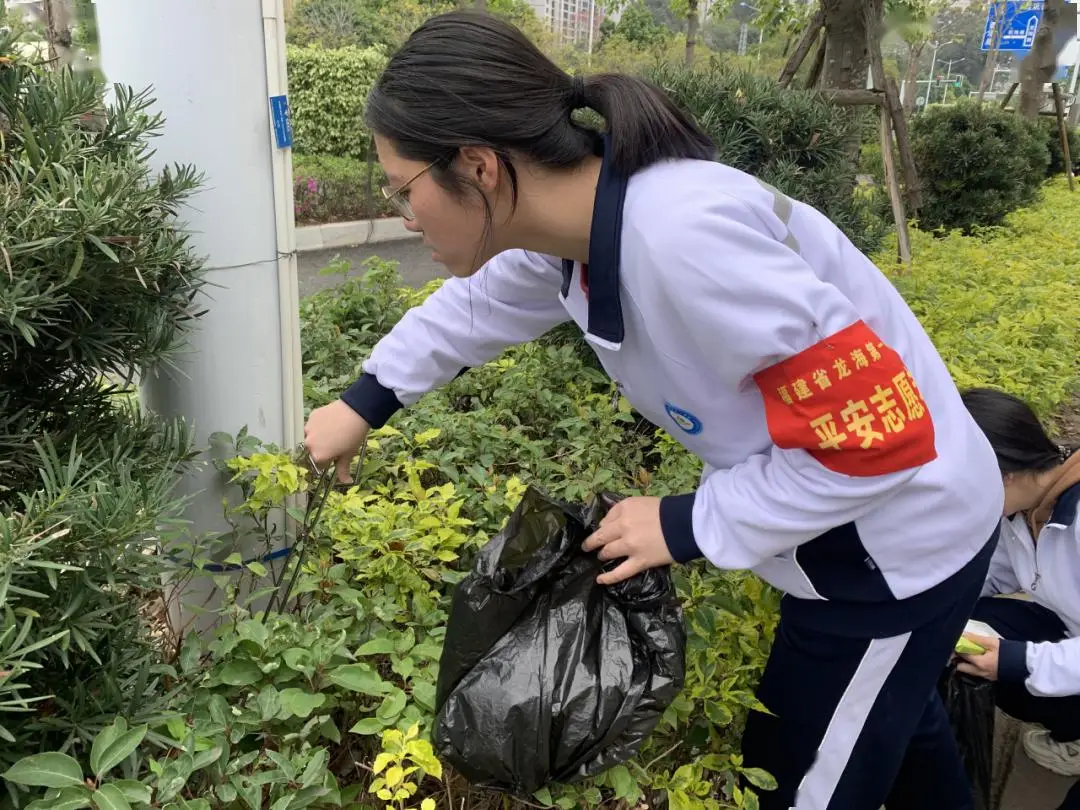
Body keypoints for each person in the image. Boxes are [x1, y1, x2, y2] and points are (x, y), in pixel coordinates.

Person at [303, 11, 1004, 809]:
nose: (404, 216)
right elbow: (477, 307)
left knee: (795, 778)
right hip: (853, 531)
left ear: (478, 167)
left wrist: (680, 524)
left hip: (892, 553)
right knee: (895, 728)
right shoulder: (579, 230)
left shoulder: (683, 239)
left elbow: (877, 440)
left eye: (404, 189)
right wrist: (365, 402)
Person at [957, 388, 1080, 809]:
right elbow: (996, 574)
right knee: (965, 625)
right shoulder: (1028, 509)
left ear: (1002, 474)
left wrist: (1015, 661)